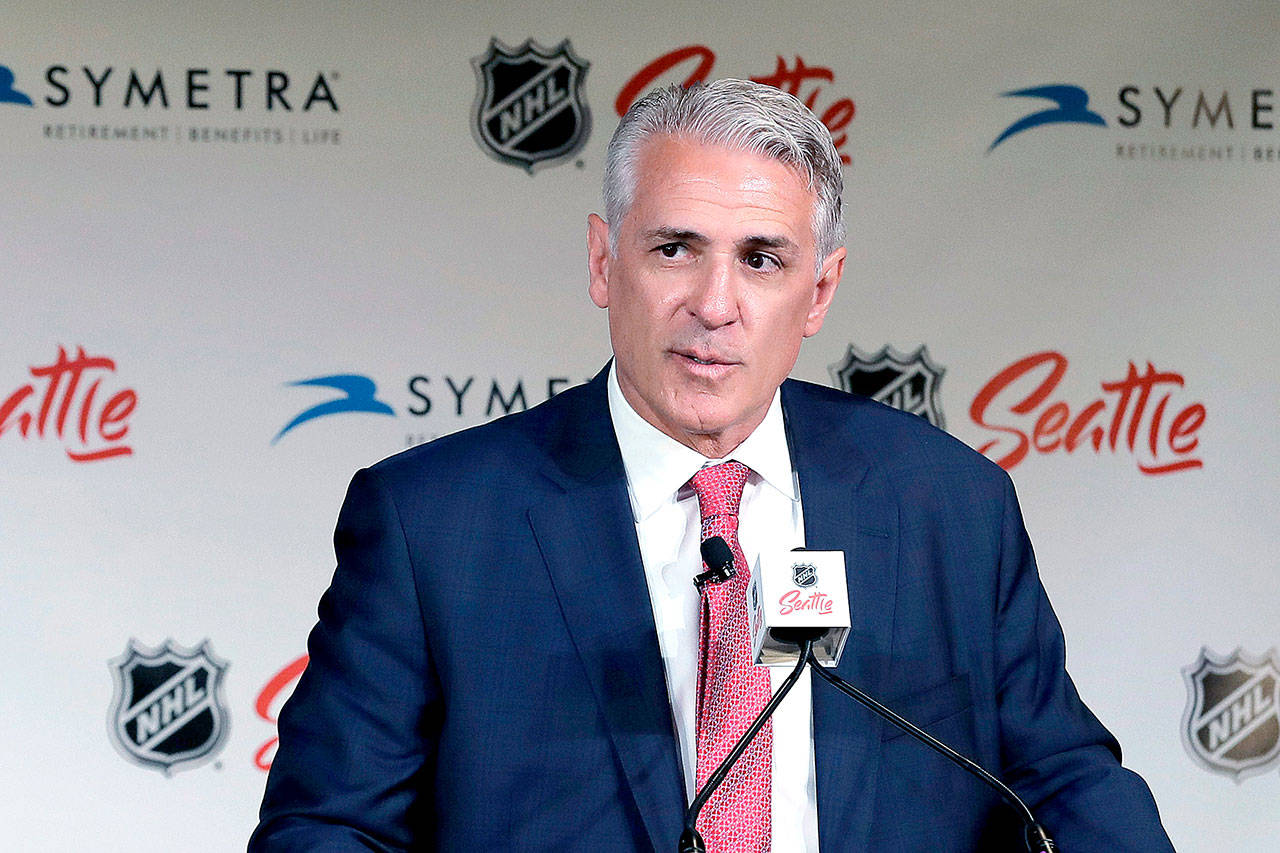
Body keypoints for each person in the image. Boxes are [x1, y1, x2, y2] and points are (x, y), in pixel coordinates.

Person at [250, 79, 1174, 851]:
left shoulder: (947, 504)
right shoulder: (434, 523)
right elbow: (328, 826)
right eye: (675, 248)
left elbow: (1062, 776)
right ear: (605, 262)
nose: (715, 303)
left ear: (820, 291)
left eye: (762, 259)